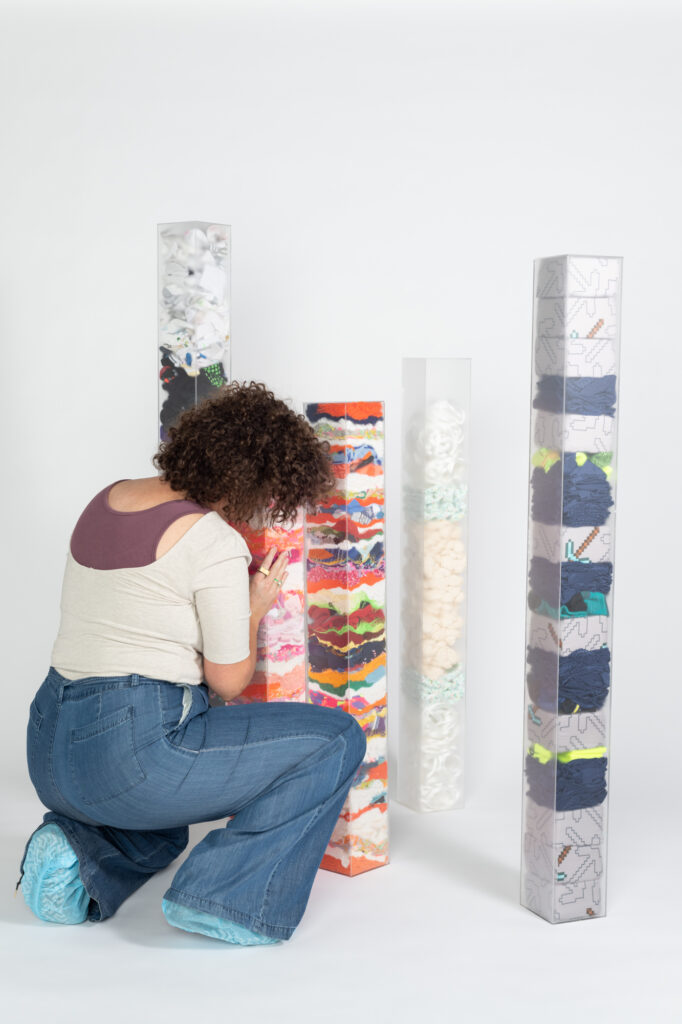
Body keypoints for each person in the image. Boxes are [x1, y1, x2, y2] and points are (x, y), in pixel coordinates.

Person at [17, 381, 366, 946]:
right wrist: (253, 610)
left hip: (49, 748)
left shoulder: (105, 498)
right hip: (129, 753)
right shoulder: (211, 539)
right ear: (251, 481)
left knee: (165, 829)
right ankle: (227, 901)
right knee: (336, 739)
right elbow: (225, 681)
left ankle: (76, 855)